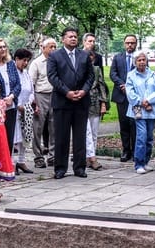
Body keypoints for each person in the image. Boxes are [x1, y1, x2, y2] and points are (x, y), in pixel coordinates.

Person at [47, 27, 93, 179]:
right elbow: (52, 77)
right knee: (61, 136)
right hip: (62, 101)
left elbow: (90, 77)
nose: (73, 38)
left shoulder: (84, 55)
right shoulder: (55, 55)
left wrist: (84, 91)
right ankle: (60, 168)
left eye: (75, 36)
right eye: (70, 36)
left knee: (80, 137)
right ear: (63, 39)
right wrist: (66, 92)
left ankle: (79, 168)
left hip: (81, 101)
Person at [126, 51, 155, 174]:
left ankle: (146, 161)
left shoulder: (153, 74)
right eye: (139, 60)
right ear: (135, 62)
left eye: (143, 60)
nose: (141, 62)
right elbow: (130, 93)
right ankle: (139, 163)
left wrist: (149, 101)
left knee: (149, 137)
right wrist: (142, 102)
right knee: (141, 136)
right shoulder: (131, 75)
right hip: (139, 111)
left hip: (151, 110)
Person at [110, 34, 139, 162]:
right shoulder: (117, 58)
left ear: (136, 44)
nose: (130, 45)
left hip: (135, 96)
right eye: (127, 43)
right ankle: (126, 150)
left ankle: (135, 151)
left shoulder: (140, 58)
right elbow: (112, 73)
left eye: (132, 43)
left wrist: (130, 87)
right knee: (124, 124)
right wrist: (122, 84)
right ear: (124, 44)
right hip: (121, 95)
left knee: (134, 124)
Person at [28, 38, 57, 168]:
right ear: (43, 48)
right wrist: (33, 100)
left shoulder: (56, 61)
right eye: (50, 47)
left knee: (54, 127)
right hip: (40, 95)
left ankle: (52, 156)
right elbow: (31, 83)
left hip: (55, 95)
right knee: (37, 127)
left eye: (55, 47)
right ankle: (38, 156)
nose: (53, 49)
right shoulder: (36, 63)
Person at [83, 33, 109, 171]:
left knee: (93, 132)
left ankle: (90, 157)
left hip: (95, 102)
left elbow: (102, 85)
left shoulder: (97, 69)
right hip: (82, 102)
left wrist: (103, 103)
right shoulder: (78, 67)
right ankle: (89, 157)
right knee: (85, 131)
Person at [12, 47, 35, 174]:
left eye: (27, 61)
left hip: (26, 109)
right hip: (15, 108)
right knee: (14, 137)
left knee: (24, 136)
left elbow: (31, 91)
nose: (25, 63)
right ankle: (12, 162)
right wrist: (19, 105)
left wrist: (28, 103)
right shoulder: (13, 73)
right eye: (23, 60)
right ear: (16, 59)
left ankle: (21, 161)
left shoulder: (26, 74)